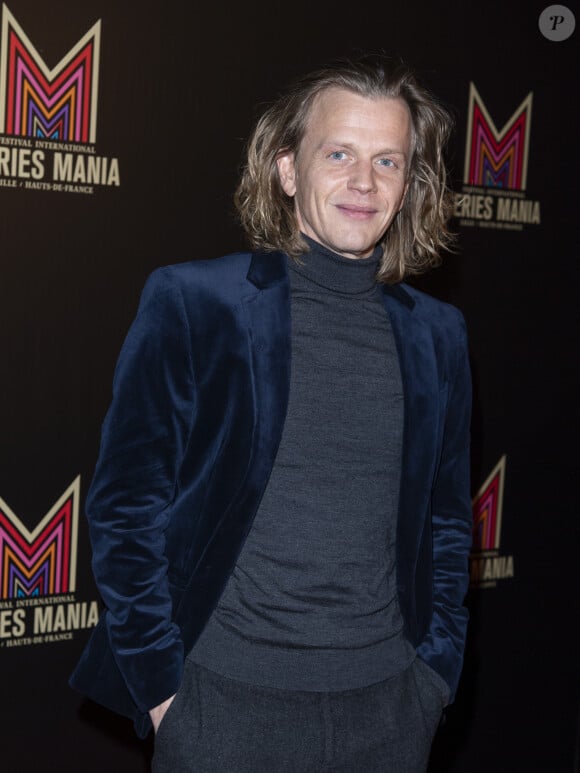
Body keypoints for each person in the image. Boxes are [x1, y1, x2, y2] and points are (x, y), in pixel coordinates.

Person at [70, 53, 473, 772]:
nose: (363, 181)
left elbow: (447, 521)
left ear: (410, 183)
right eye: (339, 153)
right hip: (223, 708)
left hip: (390, 710)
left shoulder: (438, 334)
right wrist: (167, 695)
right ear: (288, 169)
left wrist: (433, 676)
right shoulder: (196, 305)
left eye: (388, 161)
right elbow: (125, 508)